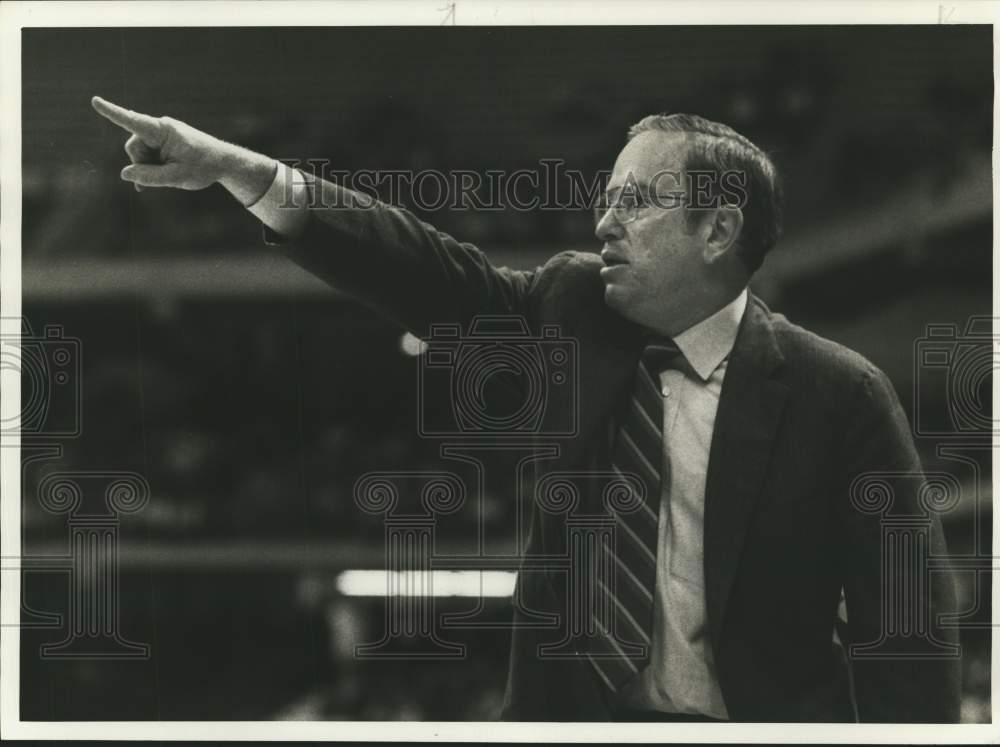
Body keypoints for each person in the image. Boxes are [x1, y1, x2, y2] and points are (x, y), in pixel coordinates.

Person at [91, 96, 961, 723]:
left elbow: (908, 635)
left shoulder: (841, 394)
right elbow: (417, 266)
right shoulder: (570, 307)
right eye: (607, 196)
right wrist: (245, 173)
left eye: (635, 200)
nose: (605, 219)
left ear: (718, 231)